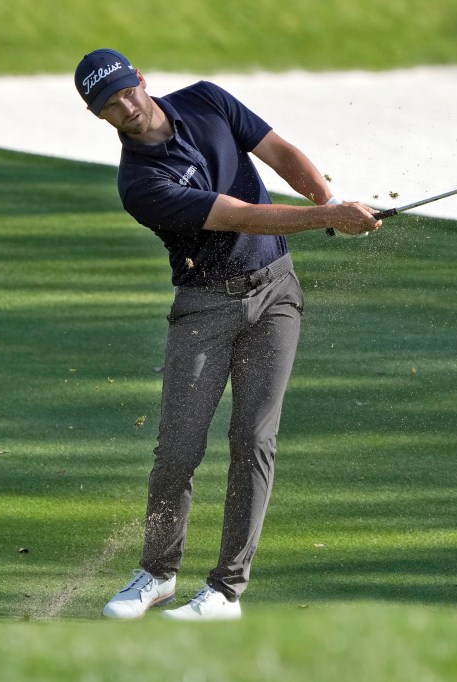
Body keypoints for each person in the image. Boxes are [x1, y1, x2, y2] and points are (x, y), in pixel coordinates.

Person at [75, 48, 381, 621]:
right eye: (110, 105)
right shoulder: (140, 183)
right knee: (179, 450)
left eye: (126, 91)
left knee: (254, 441)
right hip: (204, 306)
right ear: (100, 117)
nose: (126, 107)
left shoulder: (208, 100)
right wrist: (328, 220)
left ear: (141, 79)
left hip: (276, 295)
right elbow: (239, 214)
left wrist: (328, 200)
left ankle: (225, 591)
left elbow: (279, 151)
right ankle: (158, 574)